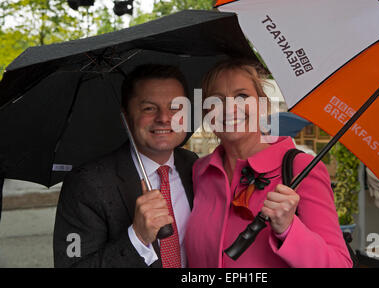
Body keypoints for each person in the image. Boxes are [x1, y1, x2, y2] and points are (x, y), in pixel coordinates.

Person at [184, 59, 353, 267]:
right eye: (216, 100)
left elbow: (339, 264)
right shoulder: (201, 171)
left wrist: (289, 229)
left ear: (262, 105)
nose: (229, 108)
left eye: (242, 96)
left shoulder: (301, 168)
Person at [53, 64, 198, 267]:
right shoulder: (85, 185)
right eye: (149, 108)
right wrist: (137, 238)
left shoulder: (195, 166)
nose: (164, 118)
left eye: (175, 107)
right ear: (126, 118)